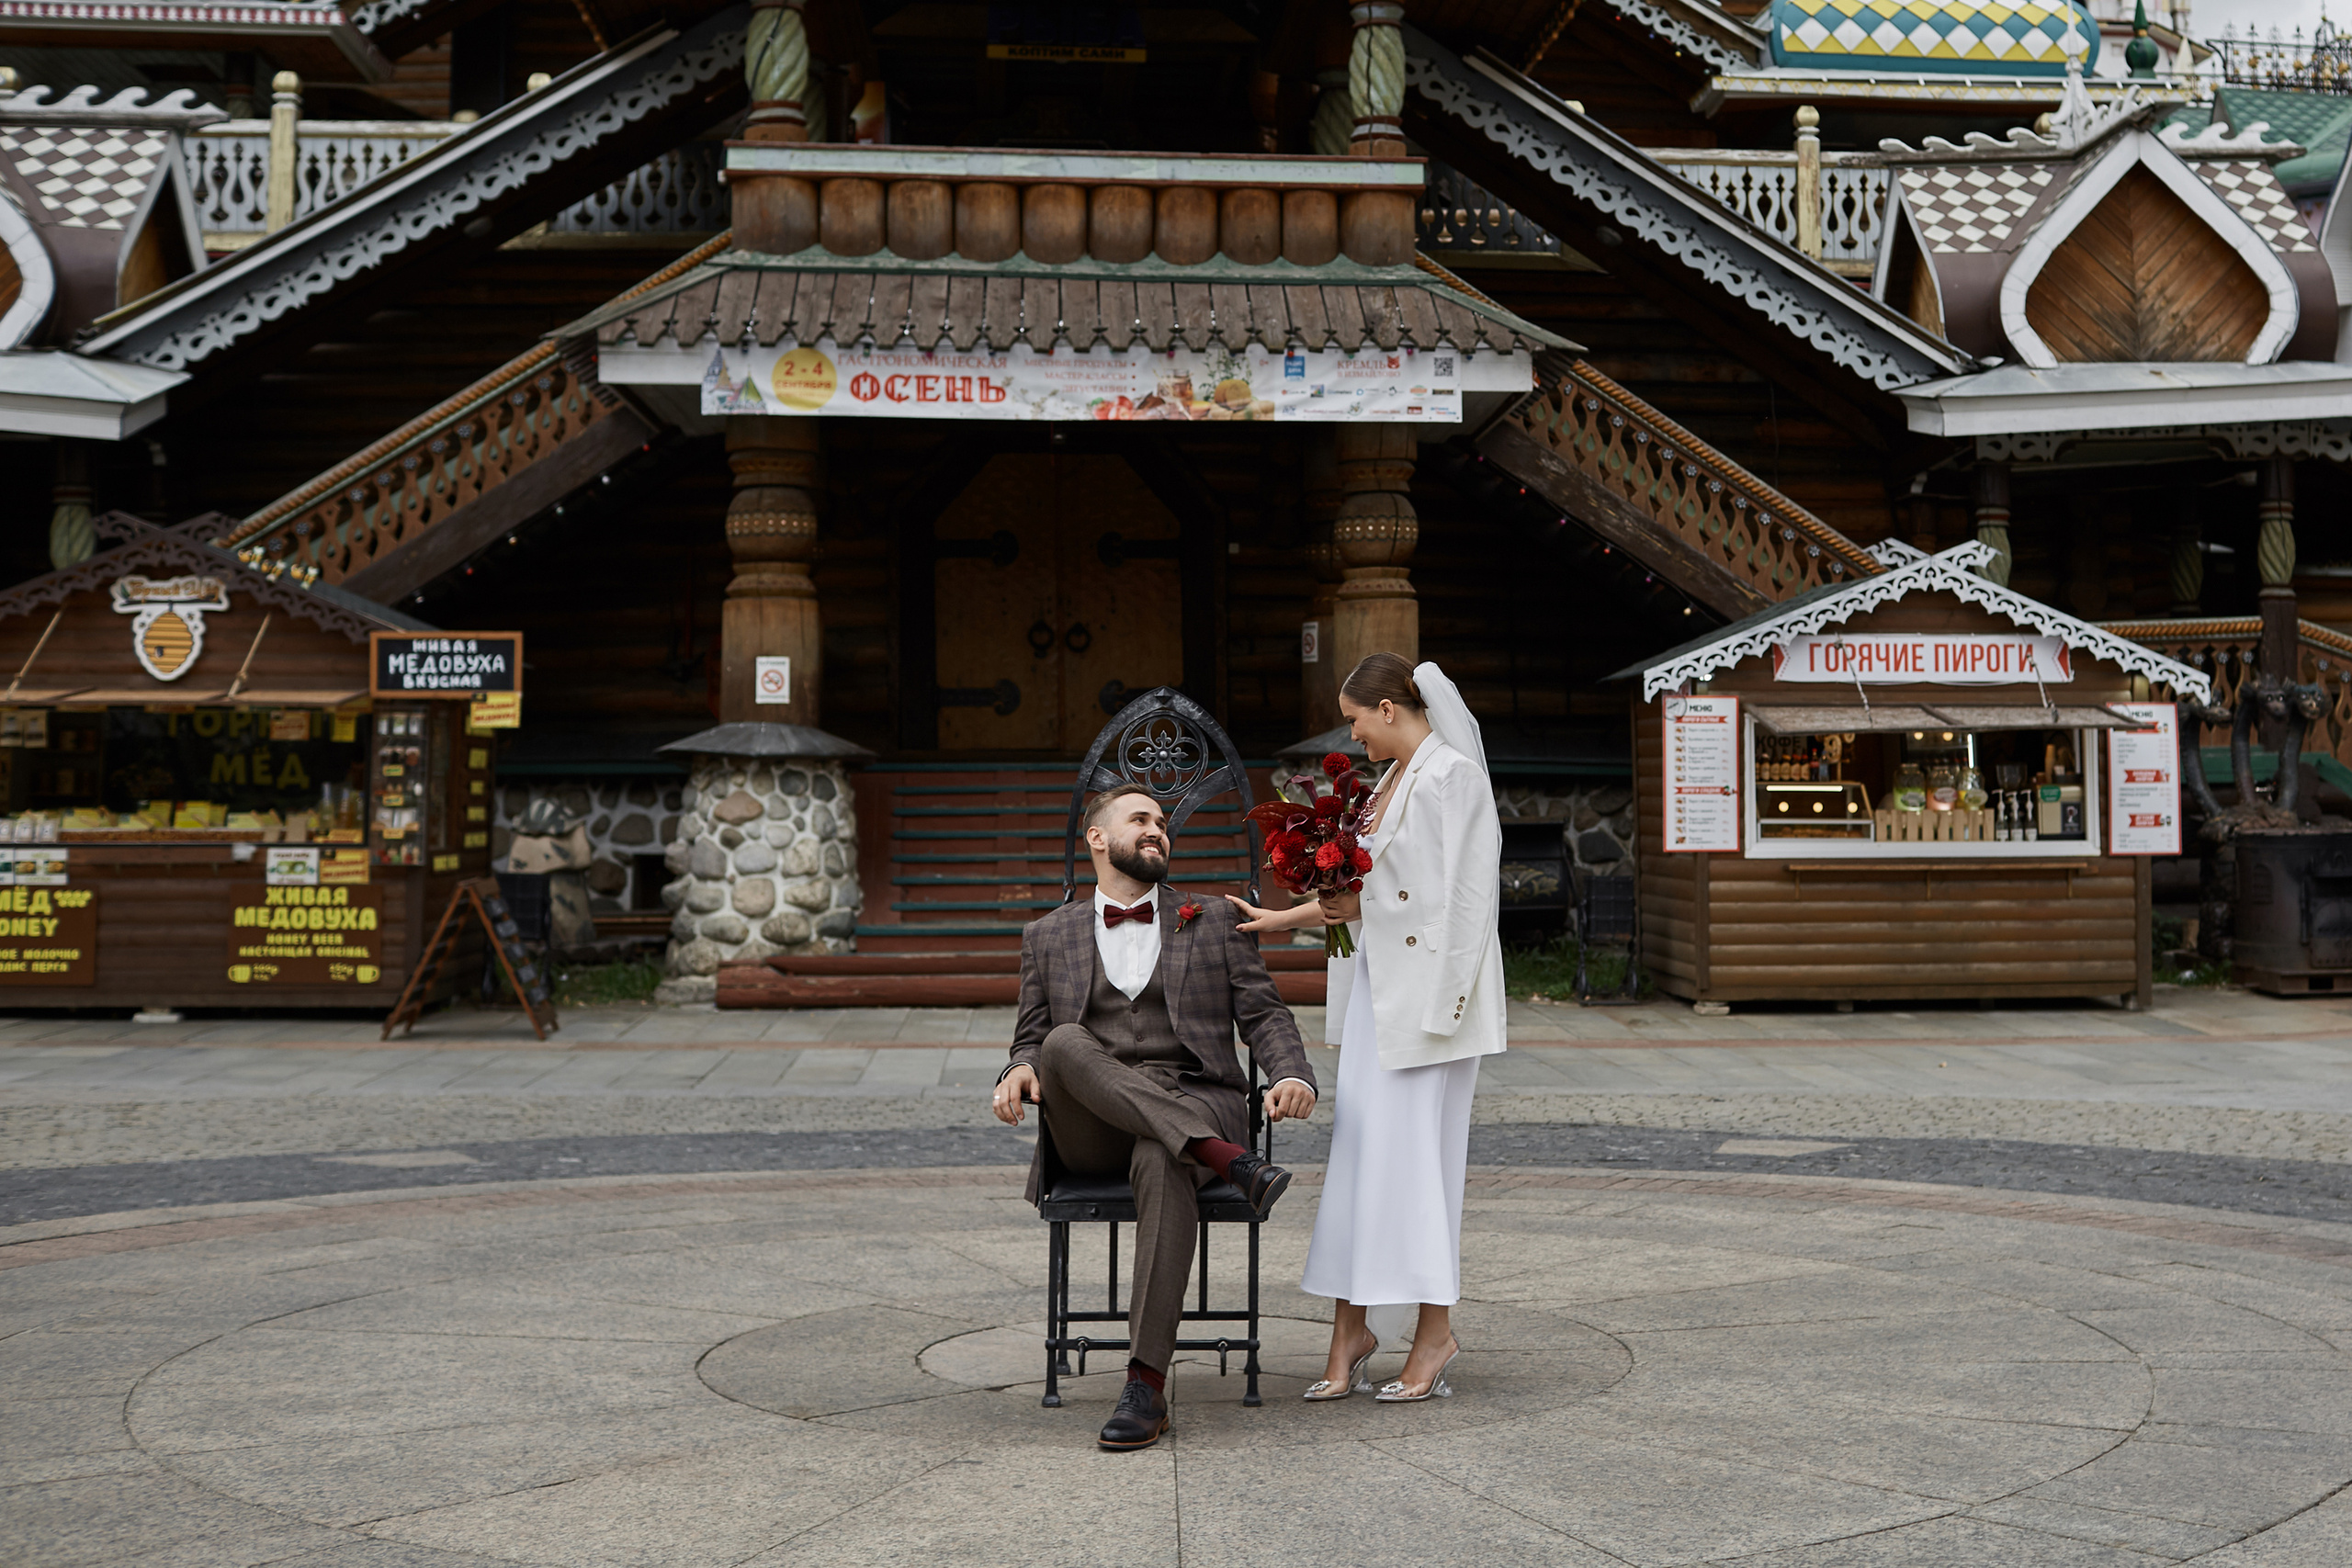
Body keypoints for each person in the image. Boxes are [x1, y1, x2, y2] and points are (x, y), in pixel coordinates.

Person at [995, 784, 1317, 1452]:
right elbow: (1030, 1037)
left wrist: (1290, 1071)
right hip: (1092, 1121)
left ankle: (1145, 1384)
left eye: (1162, 823)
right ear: (1096, 837)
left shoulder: (1213, 919)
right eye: (1140, 819)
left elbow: (1263, 1014)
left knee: (1164, 1154)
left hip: (1197, 1094)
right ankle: (1226, 1158)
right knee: (1061, 1042)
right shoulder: (1046, 934)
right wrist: (1018, 1070)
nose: (1156, 831)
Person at [1227, 655, 1506, 1404]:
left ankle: (1434, 1330)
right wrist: (1278, 916)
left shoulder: (1452, 778)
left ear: (1389, 707)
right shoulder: (1386, 784)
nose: (1350, 732)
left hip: (1430, 1004)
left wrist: (1445, 1006)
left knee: (1419, 1168)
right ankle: (1352, 1326)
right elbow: (1355, 897)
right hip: (1378, 996)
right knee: (1361, 1161)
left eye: (1355, 717)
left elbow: (1468, 901)